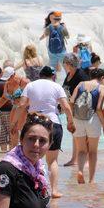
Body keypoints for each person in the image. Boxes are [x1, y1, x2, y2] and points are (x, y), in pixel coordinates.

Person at [0, 113, 53, 208]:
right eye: (31, 138)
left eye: (42, 141)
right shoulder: (5, 171)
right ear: (21, 139)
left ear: (49, 145)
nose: (36, 144)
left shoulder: (39, 174)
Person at [19, 66, 75, 198]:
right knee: (53, 161)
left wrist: (16, 123)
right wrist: (70, 122)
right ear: (53, 76)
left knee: (30, 158)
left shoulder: (31, 85)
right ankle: (54, 190)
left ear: (40, 75)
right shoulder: (56, 86)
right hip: (53, 123)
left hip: (34, 123)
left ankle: (31, 190)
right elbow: (66, 106)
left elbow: (21, 105)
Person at [71, 68, 104, 184]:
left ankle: (81, 171)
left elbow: (71, 101)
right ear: (102, 78)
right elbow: (98, 108)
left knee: (81, 150)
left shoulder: (81, 84)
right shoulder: (101, 88)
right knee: (93, 151)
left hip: (78, 119)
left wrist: (71, 119)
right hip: (93, 120)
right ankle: (91, 180)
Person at [62, 53, 89, 167]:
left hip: (81, 108)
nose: (63, 65)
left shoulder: (81, 75)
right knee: (75, 133)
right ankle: (74, 158)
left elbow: (87, 92)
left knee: (83, 134)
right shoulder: (69, 75)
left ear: (68, 64)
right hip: (71, 108)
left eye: (64, 63)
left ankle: (86, 160)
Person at [0, 66, 29, 152]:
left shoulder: (24, 82)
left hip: (24, 108)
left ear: (14, 74)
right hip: (15, 107)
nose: (7, 80)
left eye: (9, 77)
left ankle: (25, 150)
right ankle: (14, 151)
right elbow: (4, 98)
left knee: (22, 129)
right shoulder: (7, 84)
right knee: (13, 129)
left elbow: (33, 96)